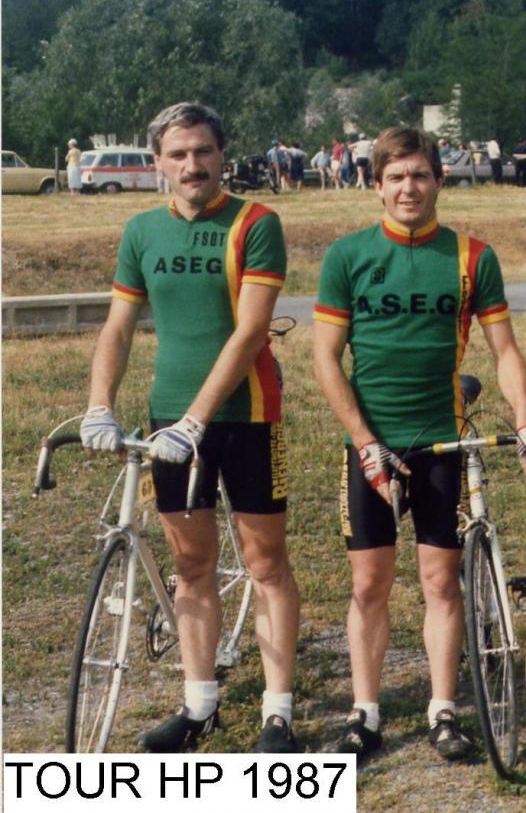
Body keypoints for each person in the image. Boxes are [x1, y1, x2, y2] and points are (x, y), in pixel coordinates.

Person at [313, 127, 526, 764]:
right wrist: (364, 441)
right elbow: (325, 360)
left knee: (441, 581)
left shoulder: (473, 256)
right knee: (369, 585)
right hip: (372, 446)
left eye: (420, 175)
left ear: (439, 181)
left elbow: (504, 351)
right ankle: (365, 713)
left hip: (443, 444)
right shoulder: (348, 256)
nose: (408, 188)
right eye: (395, 177)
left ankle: (442, 710)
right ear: (376, 186)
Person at [79, 102, 300, 753]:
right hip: (167, 417)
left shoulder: (256, 223)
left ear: (220, 156)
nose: (192, 164)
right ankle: (199, 702)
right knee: (192, 564)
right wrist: (100, 404)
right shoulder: (141, 231)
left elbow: (251, 331)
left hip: (246, 415)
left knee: (265, 564)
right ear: (157, 164)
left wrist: (196, 421)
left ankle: (277, 712)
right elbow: (118, 326)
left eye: (202, 151)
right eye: (178, 154)